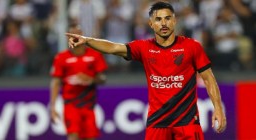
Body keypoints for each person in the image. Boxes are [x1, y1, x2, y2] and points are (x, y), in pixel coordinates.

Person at [66, 1, 227, 140]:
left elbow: (208, 78)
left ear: (174, 21)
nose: (163, 23)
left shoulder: (192, 47)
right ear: (151, 24)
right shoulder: (143, 48)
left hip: (187, 123)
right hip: (157, 123)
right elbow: (113, 47)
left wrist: (218, 108)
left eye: (167, 18)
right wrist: (87, 40)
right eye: (158, 19)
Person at [50, 24, 107, 140]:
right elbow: (56, 82)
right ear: (67, 37)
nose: (75, 36)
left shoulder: (94, 55)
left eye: (78, 33)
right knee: (73, 136)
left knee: (91, 137)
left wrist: (92, 80)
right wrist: (52, 106)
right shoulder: (61, 58)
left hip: (88, 105)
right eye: (72, 33)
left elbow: (103, 79)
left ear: (83, 35)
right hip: (71, 104)